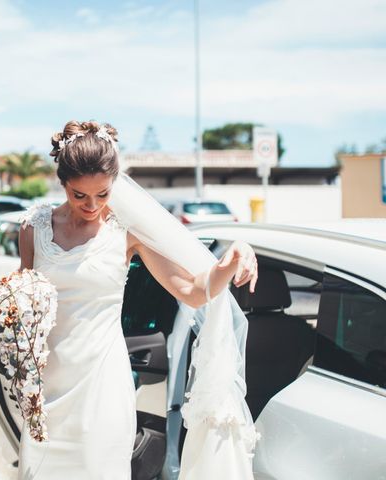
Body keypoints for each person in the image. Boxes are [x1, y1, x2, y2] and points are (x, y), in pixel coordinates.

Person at [17, 120, 259, 479]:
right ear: (62, 183)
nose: (92, 205)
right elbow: (25, 300)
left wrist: (232, 258)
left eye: (103, 194)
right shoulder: (32, 229)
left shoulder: (125, 230)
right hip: (46, 388)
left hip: (103, 388)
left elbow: (191, 290)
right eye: (79, 195)